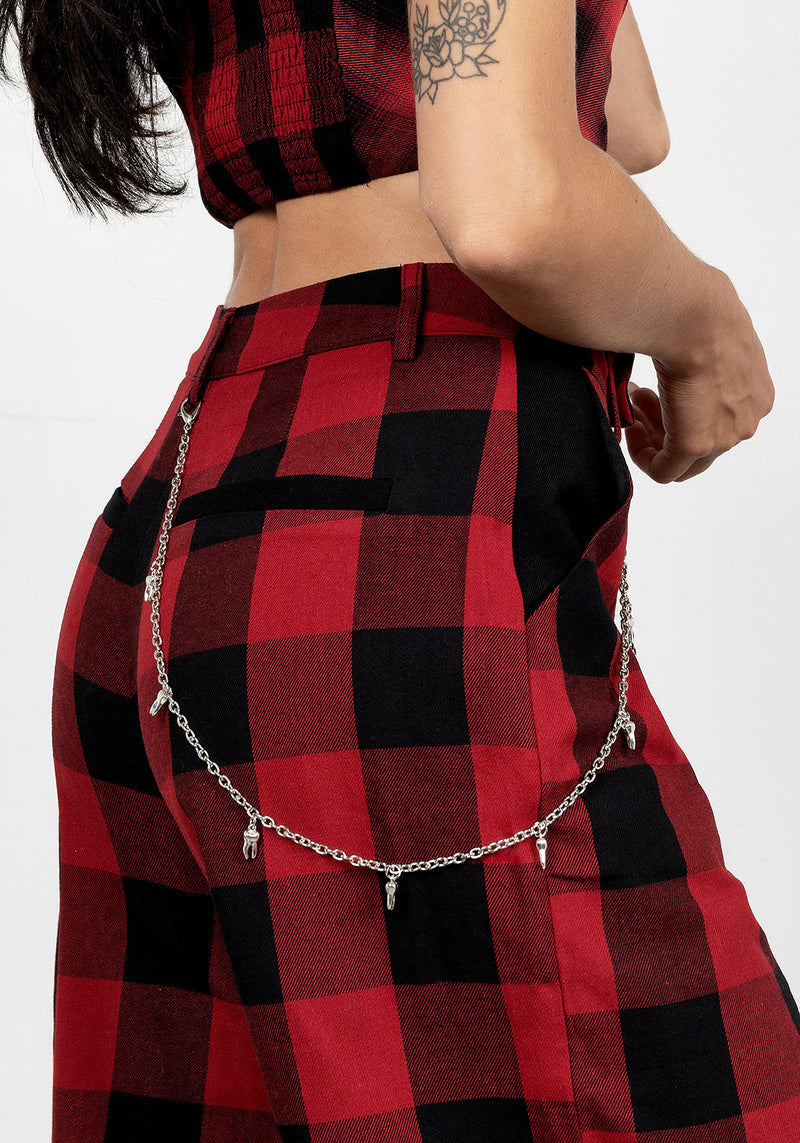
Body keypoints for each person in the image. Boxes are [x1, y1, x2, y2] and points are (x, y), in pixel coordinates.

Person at [2, 0, 799, 1140]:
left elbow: (628, 119)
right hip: (401, 525)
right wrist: (709, 331)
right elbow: (513, 202)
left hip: (191, 513)